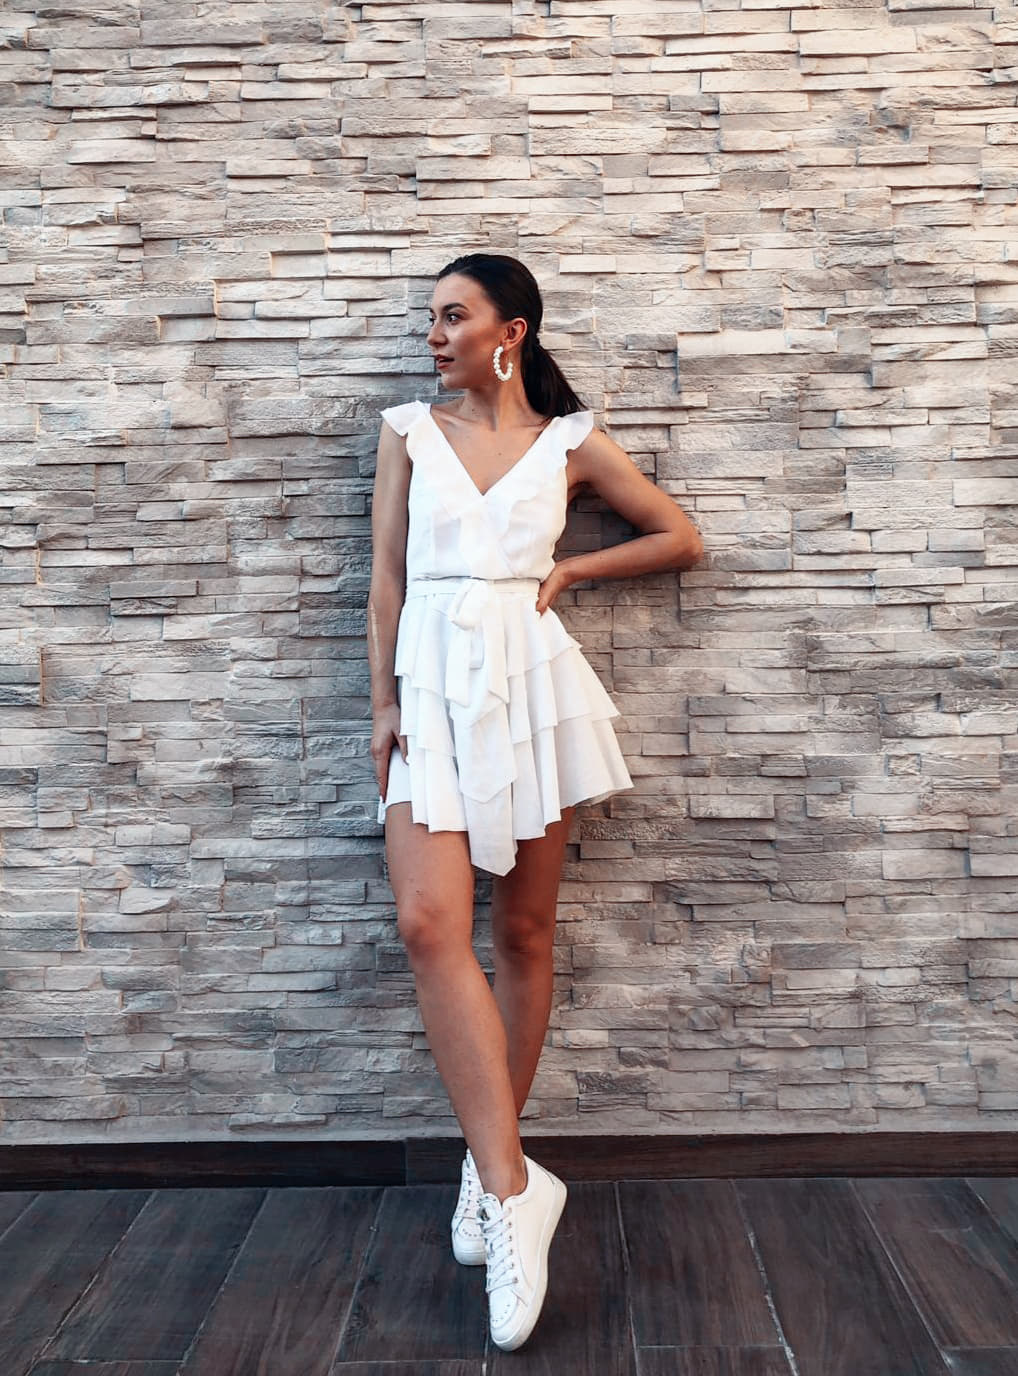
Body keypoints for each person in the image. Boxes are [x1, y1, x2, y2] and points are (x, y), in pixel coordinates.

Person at [367, 253, 703, 1351]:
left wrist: (571, 576)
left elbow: (677, 534)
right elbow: (386, 581)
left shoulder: (568, 442)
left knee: (519, 929)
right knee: (429, 923)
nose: (433, 332)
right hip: (431, 689)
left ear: (507, 331)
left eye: (451, 315)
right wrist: (381, 703)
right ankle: (517, 1191)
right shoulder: (408, 433)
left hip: (529, 682)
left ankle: (483, 1171)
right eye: (431, 316)